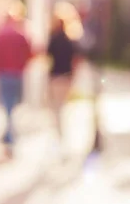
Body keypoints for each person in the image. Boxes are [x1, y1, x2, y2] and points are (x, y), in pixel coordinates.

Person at [0, 10, 33, 158]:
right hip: (16, 75)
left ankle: (9, 136)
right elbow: (29, 53)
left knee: (7, 106)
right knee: (11, 106)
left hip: (4, 75)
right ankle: (9, 134)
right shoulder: (20, 35)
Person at [46, 16, 81, 155]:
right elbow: (76, 60)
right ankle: (61, 134)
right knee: (62, 106)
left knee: (57, 108)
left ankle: (59, 134)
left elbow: (47, 56)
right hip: (66, 77)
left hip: (56, 76)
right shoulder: (69, 40)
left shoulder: (54, 39)